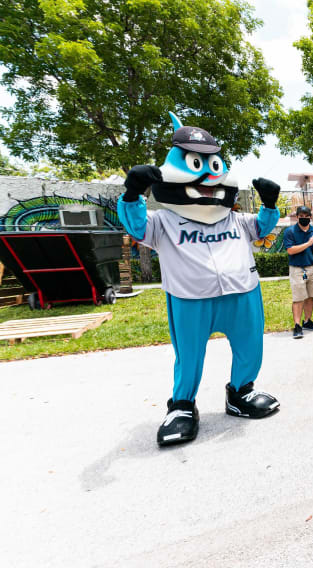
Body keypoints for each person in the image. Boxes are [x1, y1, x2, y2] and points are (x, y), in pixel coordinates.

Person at [117, 111, 281, 446]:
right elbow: (136, 226)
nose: (207, 183)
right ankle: (181, 406)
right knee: (189, 355)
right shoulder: (164, 222)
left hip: (242, 294)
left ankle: (241, 394)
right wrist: (132, 194)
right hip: (190, 298)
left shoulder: (235, 220)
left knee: (250, 346)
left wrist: (269, 203)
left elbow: (263, 228)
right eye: (195, 168)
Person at [283, 206, 313, 339]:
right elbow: (290, 250)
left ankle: (307, 321)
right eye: (301, 216)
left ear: (310, 217)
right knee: (298, 298)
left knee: (310, 296)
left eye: (307, 216)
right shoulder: (290, 231)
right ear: (297, 217)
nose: (304, 218)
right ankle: (297, 325)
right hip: (297, 269)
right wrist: (309, 243)